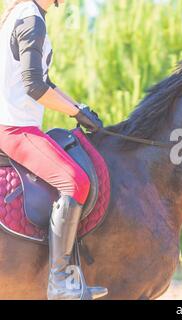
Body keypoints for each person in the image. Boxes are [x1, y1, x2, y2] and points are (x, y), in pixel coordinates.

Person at [0, 0, 107, 300]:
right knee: (76, 181)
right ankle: (60, 282)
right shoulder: (31, 18)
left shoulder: (29, 16)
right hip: (14, 128)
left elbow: (44, 81)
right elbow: (34, 86)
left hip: (17, 125)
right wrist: (74, 113)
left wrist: (80, 108)